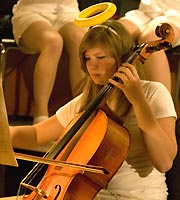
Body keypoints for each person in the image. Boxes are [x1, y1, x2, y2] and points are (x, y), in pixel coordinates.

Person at [10, 19, 177, 199]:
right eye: (87, 58)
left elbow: (164, 162)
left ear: (122, 58)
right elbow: (36, 135)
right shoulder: (87, 102)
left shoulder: (153, 94)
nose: (92, 66)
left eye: (101, 57)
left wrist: (138, 101)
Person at [11, 0, 87, 124]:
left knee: (80, 42)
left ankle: (81, 113)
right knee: (53, 41)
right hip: (32, 11)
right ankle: (41, 117)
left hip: (68, 11)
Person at [118, 0, 180, 92]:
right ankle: (104, 102)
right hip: (146, 11)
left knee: (152, 38)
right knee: (112, 35)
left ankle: (160, 105)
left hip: (175, 12)